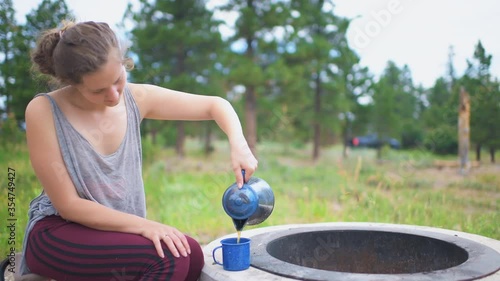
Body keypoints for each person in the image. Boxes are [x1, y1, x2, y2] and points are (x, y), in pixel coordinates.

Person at [20, 20, 258, 281]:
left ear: (124, 63)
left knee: (191, 254)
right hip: (58, 231)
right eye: (98, 90)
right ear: (73, 83)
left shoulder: (136, 98)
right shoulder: (44, 110)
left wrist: (239, 144)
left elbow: (215, 105)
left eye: (117, 79)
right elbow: (69, 206)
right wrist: (147, 226)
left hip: (112, 233)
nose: (113, 95)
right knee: (170, 257)